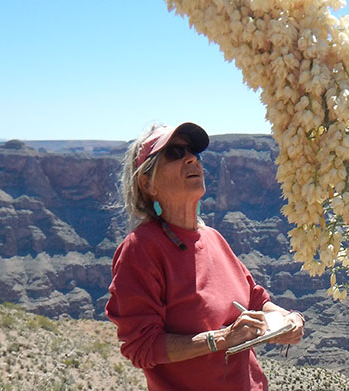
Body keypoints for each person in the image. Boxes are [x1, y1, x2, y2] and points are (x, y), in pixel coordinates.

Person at [105, 122, 304, 391]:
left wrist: (287, 320)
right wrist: (222, 338)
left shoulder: (213, 238)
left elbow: (256, 298)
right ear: (146, 183)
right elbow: (142, 346)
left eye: (194, 153)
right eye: (175, 152)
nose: (191, 159)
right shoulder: (142, 249)